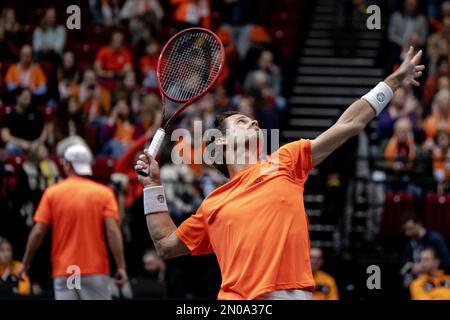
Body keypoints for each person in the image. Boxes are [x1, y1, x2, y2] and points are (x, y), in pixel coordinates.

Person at [134, 47, 425, 300]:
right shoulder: (213, 204)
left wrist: (394, 80)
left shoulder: (286, 161)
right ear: (220, 141)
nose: (255, 122)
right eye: (242, 120)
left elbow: (348, 124)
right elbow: (166, 245)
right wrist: (152, 185)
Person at [19, 144, 128, 300]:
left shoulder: (52, 193)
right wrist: (121, 267)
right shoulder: (104, 193)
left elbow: (38, 231)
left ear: (68, 165)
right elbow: (112, 230)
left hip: (67, 270)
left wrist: (25, 262)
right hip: (95, 270)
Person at [401, 213, 450, 287]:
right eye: (405, 230)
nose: (407, 233)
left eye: (410, 228)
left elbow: (446, 262)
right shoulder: (410, 243)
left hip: (437, 280)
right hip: (419, 280)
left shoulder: (435, 239)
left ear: (418, 224)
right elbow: (406, 263)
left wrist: (424, 266)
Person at [1, 88, 48, 156]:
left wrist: (38, 142)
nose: (28, 98)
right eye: (25, 96)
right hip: (18, 144)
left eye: (29, 96)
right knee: (10, 147)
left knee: (42, 151)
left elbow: (45, 130)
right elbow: (5, 136)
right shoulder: (9, 116)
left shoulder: (37, 113)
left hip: (35, 144)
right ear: (17, 97)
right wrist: (21, 143)